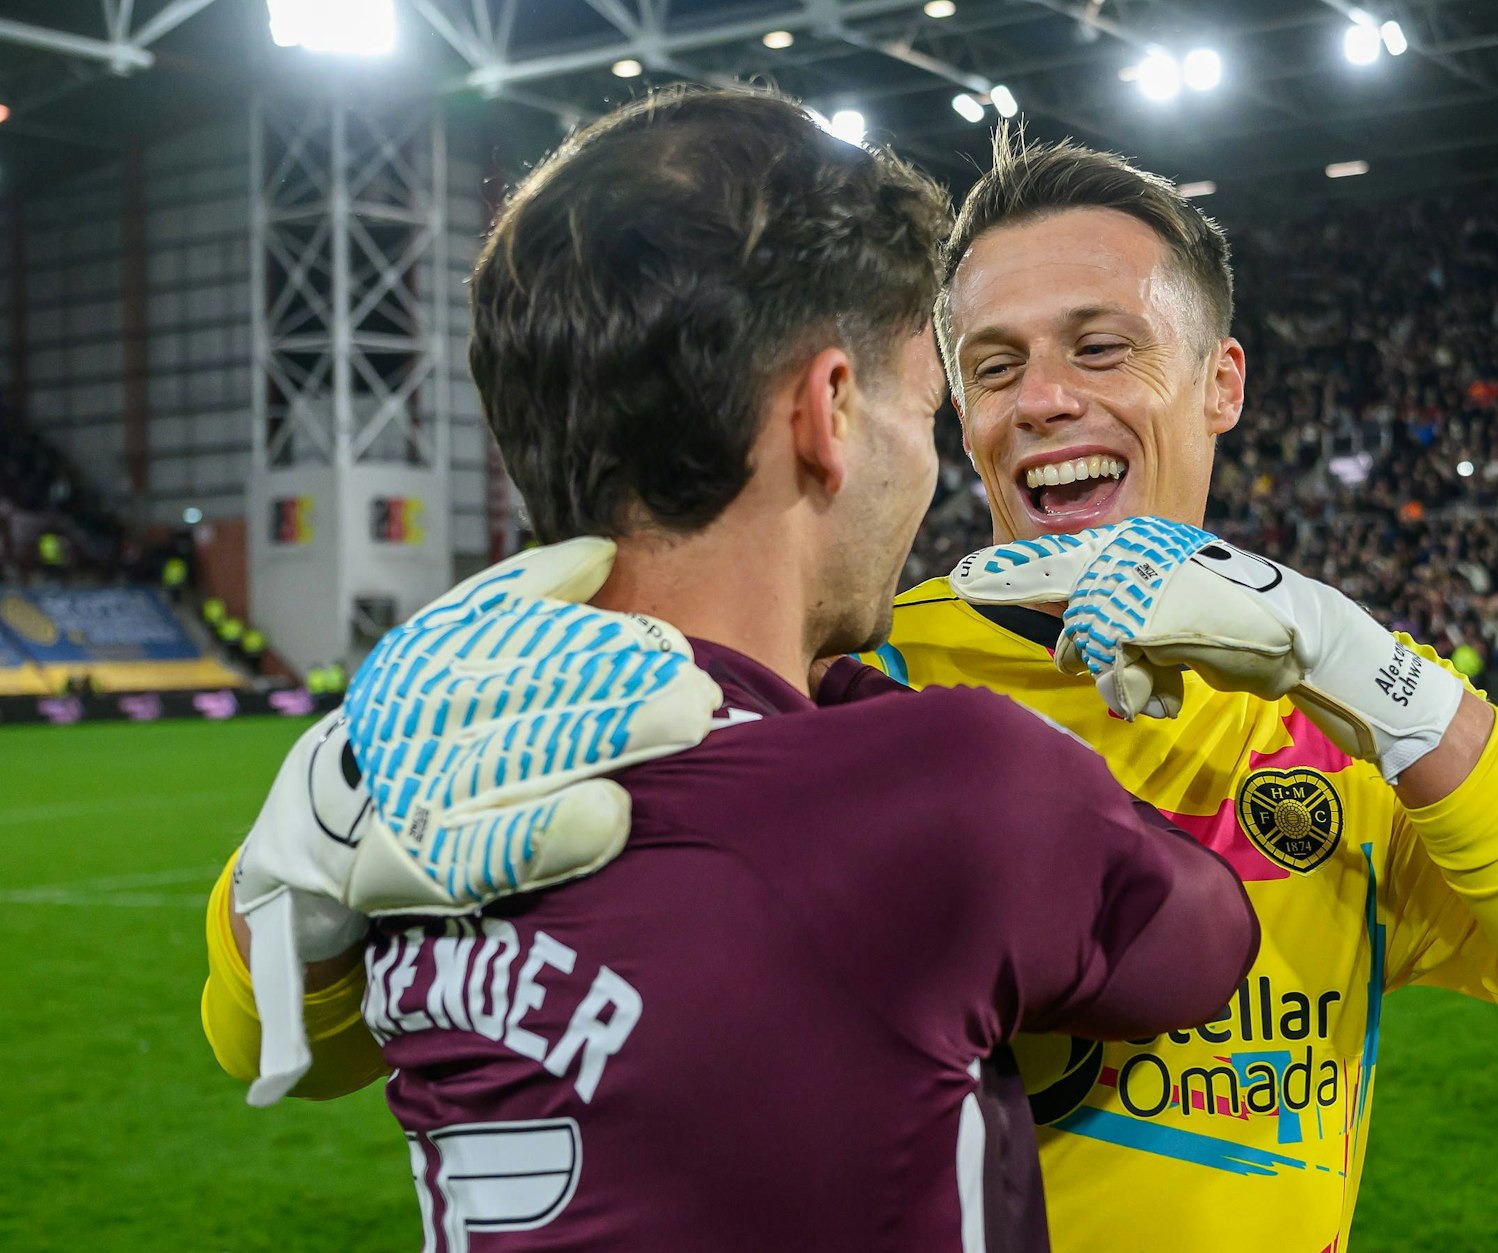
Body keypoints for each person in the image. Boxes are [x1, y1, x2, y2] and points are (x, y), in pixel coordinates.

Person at [200, 87, 1258, 1251]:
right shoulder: (951, 785)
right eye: (923, 403)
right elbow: (1204, 941)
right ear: (830, 411)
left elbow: (268, 1037)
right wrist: (876, 702)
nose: (931, 464)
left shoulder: (413, 804)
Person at [858, 131, 1498, 1253]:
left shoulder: (1347, 713)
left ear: (1220, 383)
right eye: (993, 365)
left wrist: (1363, 667)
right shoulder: (861, 678)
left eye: (1100, 347)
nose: (1043, 400)